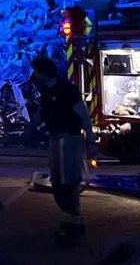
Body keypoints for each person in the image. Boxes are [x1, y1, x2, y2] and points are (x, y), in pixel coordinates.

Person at [30, 56, 96, 242]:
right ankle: (72, 219)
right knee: (58, 180)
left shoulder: (67, 90)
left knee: (68, 180)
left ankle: (73, 221)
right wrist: (31, 127)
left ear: (44, 73)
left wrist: (91, 142)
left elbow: (84, 116)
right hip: (56, 138)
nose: (35, 75)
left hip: (69, 139)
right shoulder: (47, 92)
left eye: (37, 72)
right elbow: (43, 111)